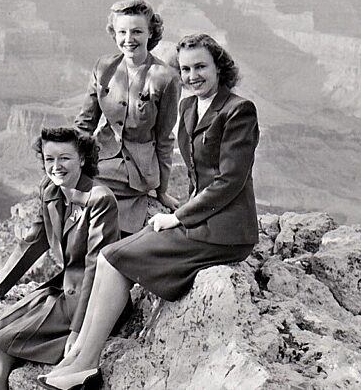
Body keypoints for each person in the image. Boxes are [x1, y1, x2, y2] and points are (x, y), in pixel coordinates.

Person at [37, 34, 260, 390]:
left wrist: (179, 217)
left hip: (226, 231)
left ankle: (85, 363)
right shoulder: (189, 108)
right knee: (111, 255)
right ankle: (79, 354)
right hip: (199, 219)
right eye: (185, 69)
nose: (192, 76)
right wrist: (175, 203)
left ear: (220, 67)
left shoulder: (238, 111)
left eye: (201, 66)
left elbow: (229, 182)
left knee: (118, 257)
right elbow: (197, 178)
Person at [0, 127, 119, 390]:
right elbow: (34, 241)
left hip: (89, 305)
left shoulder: (100, 200)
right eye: (49, 159)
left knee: (1, 351)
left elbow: (96, 270)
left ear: (82, 159)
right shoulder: (51, 191)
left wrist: (79, 334)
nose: (56, 166)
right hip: (59, 293)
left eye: (64, 158)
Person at [74, 0, 181, 236]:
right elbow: (85, 123)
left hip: (138, 169)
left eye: (136, 32)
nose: (128, 39)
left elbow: (164, 139)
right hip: (101, 156)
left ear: (150, 33)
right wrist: (69, 156)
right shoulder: (104, 68)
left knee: (85, 187)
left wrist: (162, 190)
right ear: (114, 33)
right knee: (56, 181)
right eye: (122, 32)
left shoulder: (165, 78)